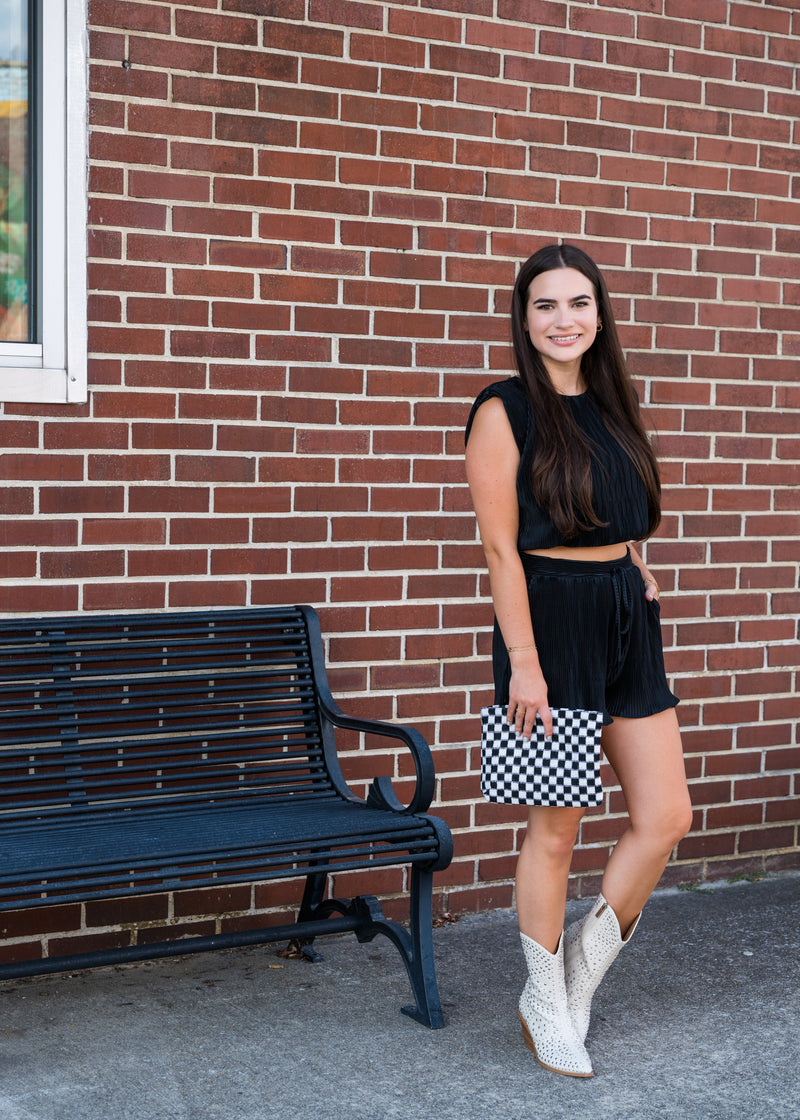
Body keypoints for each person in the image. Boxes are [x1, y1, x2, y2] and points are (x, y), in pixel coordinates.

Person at [464, 243, 693, 1079]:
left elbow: (624, 507)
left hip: (627, 617)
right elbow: (499, 548)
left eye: (579, 303)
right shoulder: (505, 409)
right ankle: (543, 1000)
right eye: (546, 306)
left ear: (600, 314)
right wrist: (524, 661)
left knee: (666, 815)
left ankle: (574, 980)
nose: (565, 320)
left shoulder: (611, 402)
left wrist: (631, 560)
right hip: (549, 626)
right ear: (525, 319)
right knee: (557, 827)